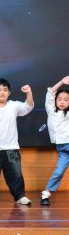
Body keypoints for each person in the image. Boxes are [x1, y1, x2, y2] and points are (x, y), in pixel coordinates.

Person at [40, 76, 69, 205]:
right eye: (60, 99)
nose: (62, 102)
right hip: (62, 148)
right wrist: (62, 82)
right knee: (59, 171)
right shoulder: (51, 110)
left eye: (66, 100)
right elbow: (51, 93)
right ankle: (46, 194)